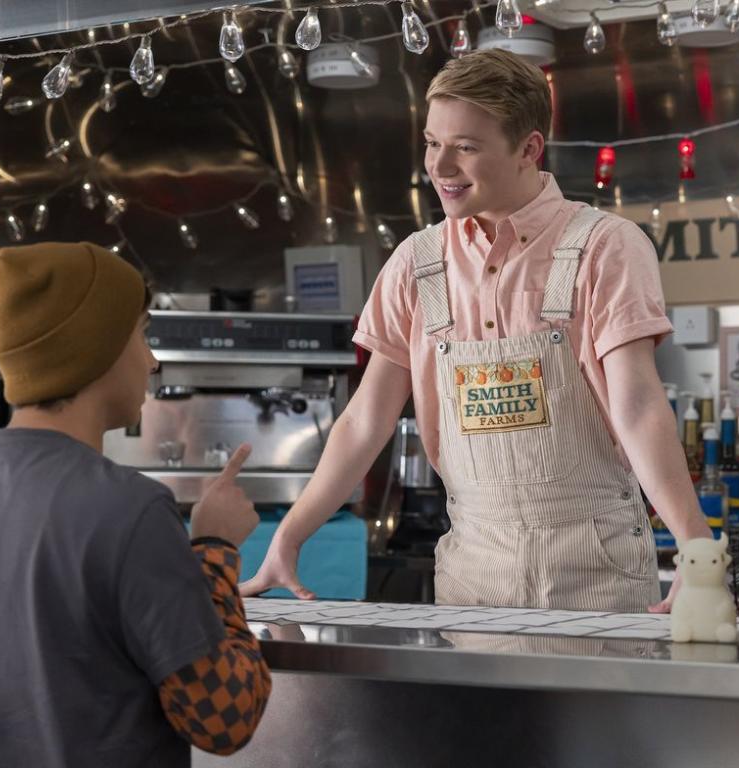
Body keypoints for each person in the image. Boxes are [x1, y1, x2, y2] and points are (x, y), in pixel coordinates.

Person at [243, 49, 713, 613]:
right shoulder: (415, 264)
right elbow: (365, 421)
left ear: (529, 149)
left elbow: (637, 405)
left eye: (465, 147)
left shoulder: (605, 247)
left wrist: (694, 544)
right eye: (431, 143)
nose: (439, 168)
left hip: (597, 575)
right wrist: (290, 535)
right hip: (473, 580)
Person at [0, 242, 270, 766]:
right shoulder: (132, 511)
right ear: (98, 346)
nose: (151, 361)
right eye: (142, 333)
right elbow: (225, 718)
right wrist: (215, 549)